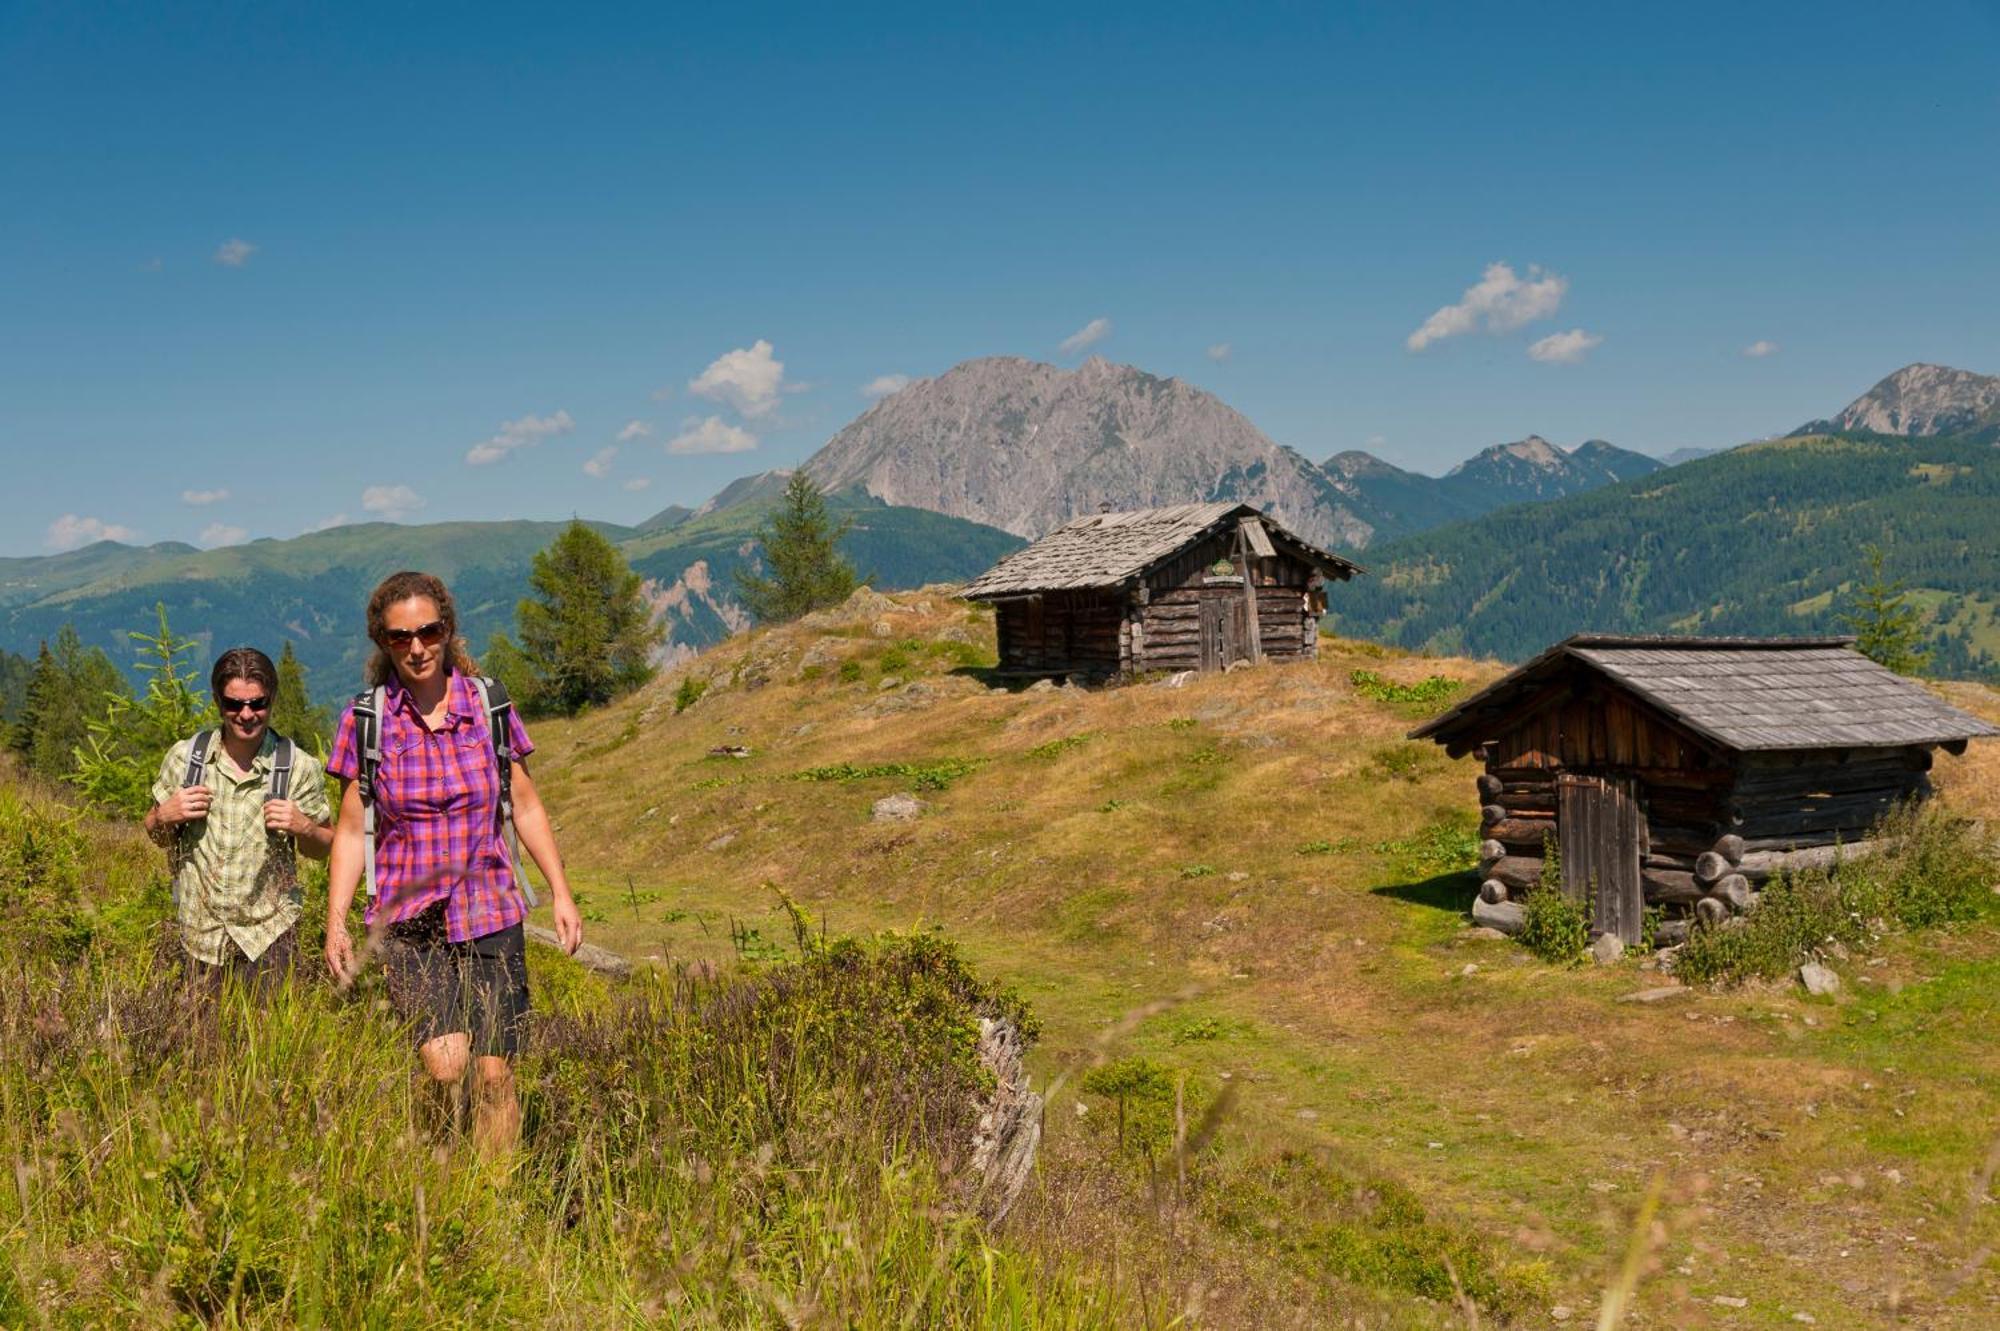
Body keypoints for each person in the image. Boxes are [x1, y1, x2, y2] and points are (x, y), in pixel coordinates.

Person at [323, 570, 582, 1155]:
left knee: (495, 1074)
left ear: (447, 629)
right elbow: (347, 829)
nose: (416, 647)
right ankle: (441, 1174)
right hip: (409, 922)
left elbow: (527, 804)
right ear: (382, 643)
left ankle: (492, 1201)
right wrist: (336, 919)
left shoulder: (487, 705)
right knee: (445, 1067)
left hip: (490, 908)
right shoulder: (368, 720)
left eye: (428, 631)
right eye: (399, 637)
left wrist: (560, 893)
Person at [145, 646, 334, 989]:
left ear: (271, 700)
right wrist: (163, 816)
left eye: (257, 703)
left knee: (269, 1041)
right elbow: (155, 834)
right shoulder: (187, 758)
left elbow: (322, 848)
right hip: (200, 937)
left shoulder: (298, 767)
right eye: (234, 704)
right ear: (219, 702)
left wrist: (304, 826)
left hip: (270, 937)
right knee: (203, 1041)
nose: (246, 714)